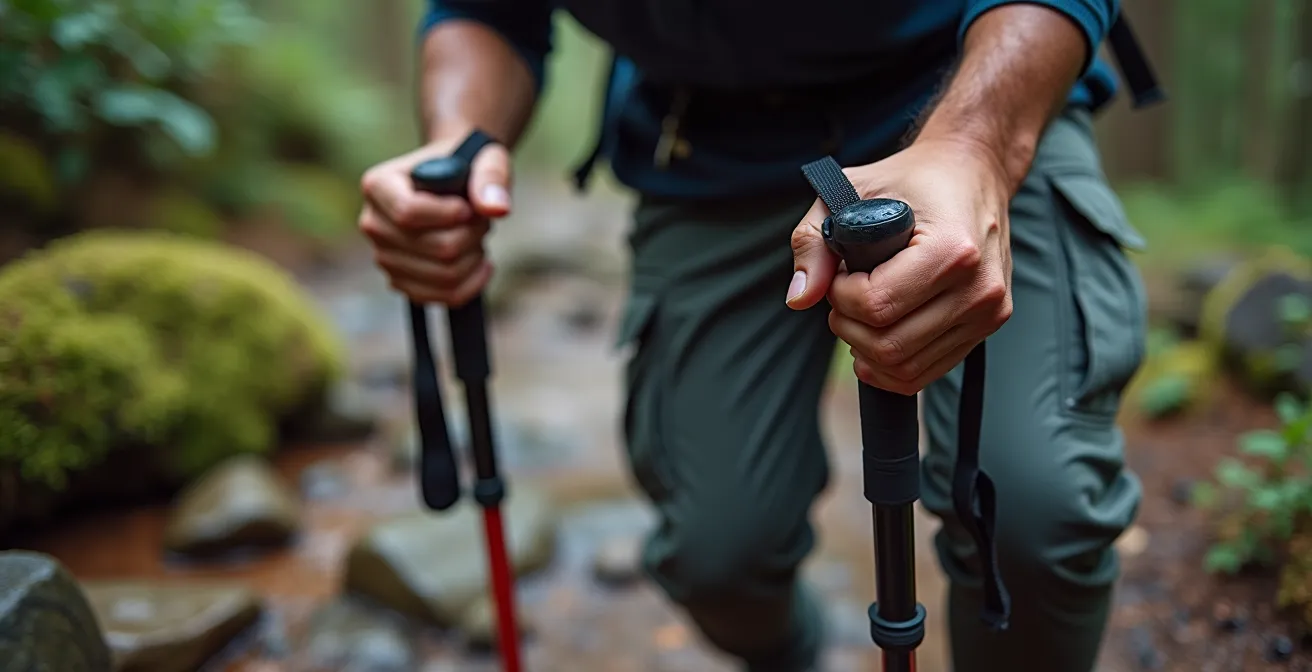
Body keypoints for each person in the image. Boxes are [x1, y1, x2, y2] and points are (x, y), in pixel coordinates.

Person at [357, 2, 1154, 670]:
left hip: (976, 83)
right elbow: (487, 11)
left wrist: (978, 147)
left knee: (1032, 507)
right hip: (710, 144)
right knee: (717, 556)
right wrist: (458, 137)